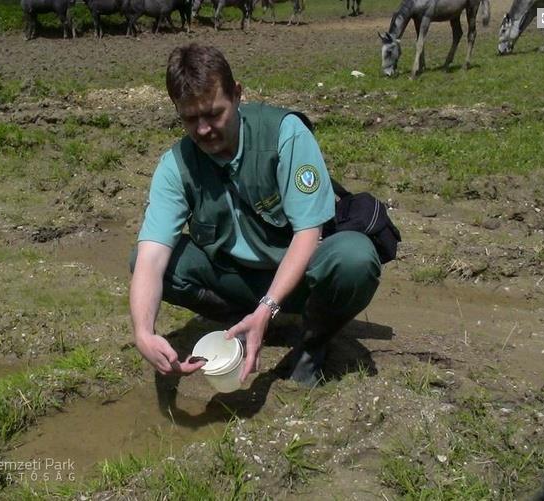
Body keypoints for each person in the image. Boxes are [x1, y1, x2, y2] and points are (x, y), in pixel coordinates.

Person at [129, 43, 381, 387]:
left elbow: (309, 233)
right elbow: (151, 256)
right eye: (190, 118)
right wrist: (143, 332)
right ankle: (238, 322)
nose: (203, 129)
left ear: (237, 95)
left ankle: (312, 342)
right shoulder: (176, 166)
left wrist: (268, 307)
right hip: (236, 279)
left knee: (355, 257)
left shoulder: (285, 134)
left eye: (214, 113)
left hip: (299, 279)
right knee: (151, 262)